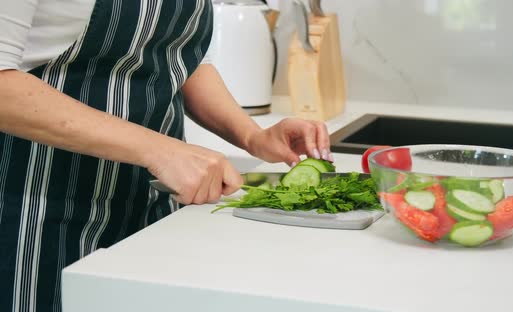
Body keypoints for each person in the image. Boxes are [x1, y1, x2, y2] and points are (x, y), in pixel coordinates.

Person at [0, 0, 333, 310]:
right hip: (32, 209)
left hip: (150, 207)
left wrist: (252, 136)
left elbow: (181, 58)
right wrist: (159, 150)